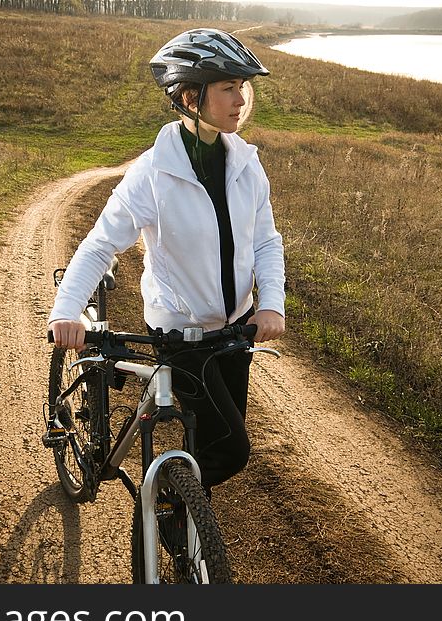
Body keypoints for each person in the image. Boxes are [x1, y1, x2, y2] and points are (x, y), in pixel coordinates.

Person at [48, 28, 285, 497]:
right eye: (227, 87)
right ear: (190, 96)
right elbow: (101, 244)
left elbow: (266, 242)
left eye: (243, 87)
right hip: (182, 332)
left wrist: (271, 303)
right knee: (230, 449)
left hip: (236, 329)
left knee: (208, 444)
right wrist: (65, 311)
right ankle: (160, 505)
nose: (240, 99)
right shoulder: (152, 173)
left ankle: (188, 531)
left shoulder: (246, 163)